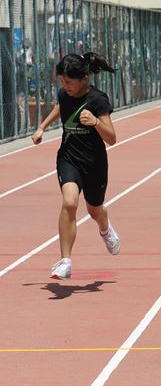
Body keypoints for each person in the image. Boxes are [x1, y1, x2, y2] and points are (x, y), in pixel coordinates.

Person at [31, 53, 120, 280]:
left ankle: (105, 228)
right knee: (69, 202)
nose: (64, 86)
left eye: (68, 82)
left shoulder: (98, 100)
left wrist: (96, 122)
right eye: (62, 82)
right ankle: (65, 261)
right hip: (68, 158)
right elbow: (61, 107)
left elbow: (112, 138)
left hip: (94, 163)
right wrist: (42, 127)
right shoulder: (64, 94)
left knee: (94, 210)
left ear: (83, 78)